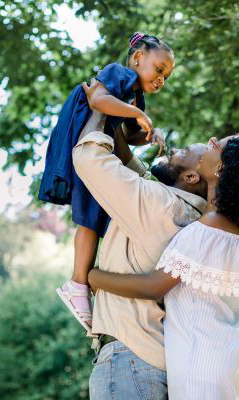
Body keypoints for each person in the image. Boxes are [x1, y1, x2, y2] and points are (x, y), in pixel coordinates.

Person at [88, 133, 239, 399]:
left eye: (215, 145)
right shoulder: (233, 233)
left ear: (221, 170)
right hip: (220, 357)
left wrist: (93, 277)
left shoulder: (207, 229)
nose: (210, 140)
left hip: (201, 363)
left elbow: (153, 286)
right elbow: (150, 187)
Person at [38, 32, 174, 335]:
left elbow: (128, 134)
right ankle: (77, 284)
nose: (162, 79)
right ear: (138, 58)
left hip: (106, 148)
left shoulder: (135, 94)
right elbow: (97, 99)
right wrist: (138, 113)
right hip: (88, 143)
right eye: (159, 69)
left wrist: (151, 132)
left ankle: (84, 283)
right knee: (88, 219)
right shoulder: (120, 73)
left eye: (167, 76)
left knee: (96, 218)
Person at [71, 106, 208, 399]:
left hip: (129, 362)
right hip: (140, 360)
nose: (174, 149)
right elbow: (131, 166)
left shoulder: (163, 206)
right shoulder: (183, 210)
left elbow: (88, 157)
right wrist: (122, 116)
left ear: (193, 177)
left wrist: (98, 106)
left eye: (184, 151)